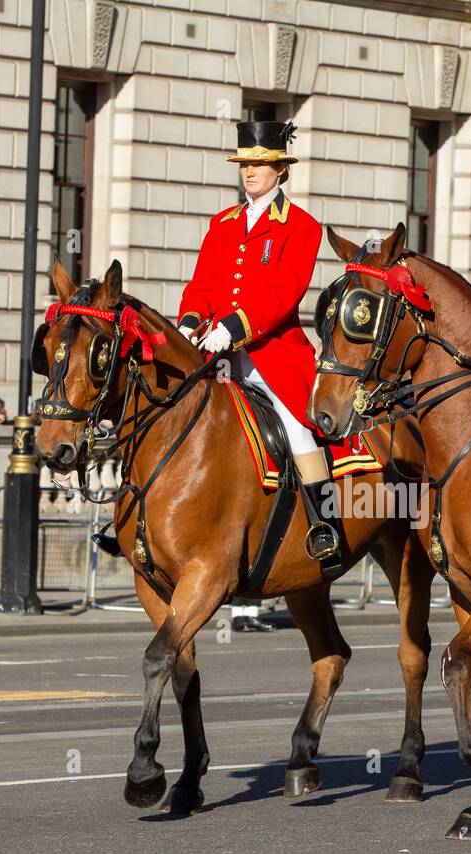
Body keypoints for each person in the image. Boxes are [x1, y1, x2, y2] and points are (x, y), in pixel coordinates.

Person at [175, 119, 334, 568]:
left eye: (260, 166)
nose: (249, 172)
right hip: (216, 350)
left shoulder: (302, 226)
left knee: (297, 429)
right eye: (245, 164)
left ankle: (326, 524)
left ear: (281, 171)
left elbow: (284, 293)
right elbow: (202, 284)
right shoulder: (222, 223)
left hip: (272, 356)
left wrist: (234, 325)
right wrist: (189, 323)